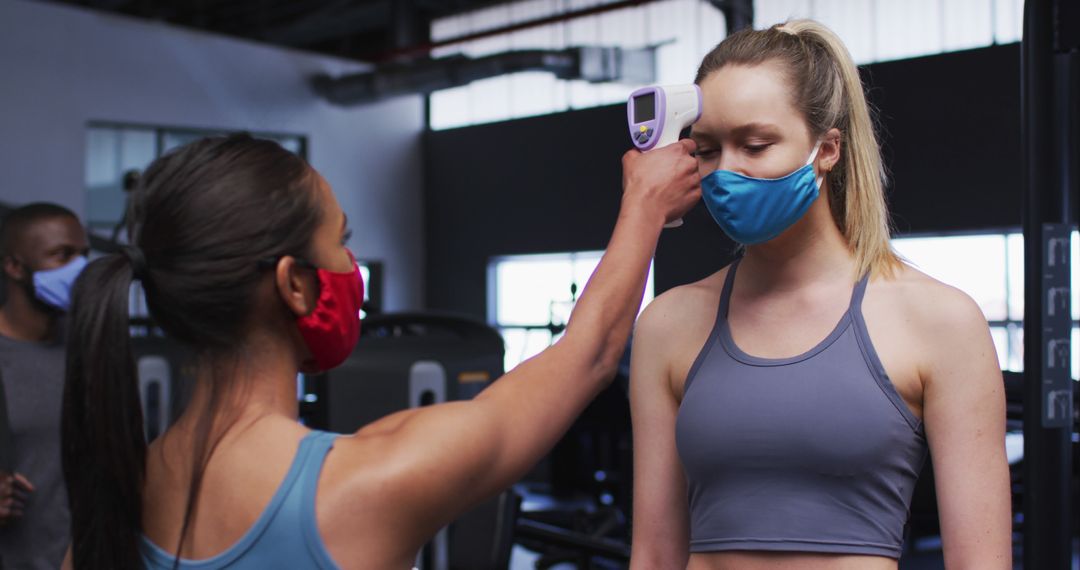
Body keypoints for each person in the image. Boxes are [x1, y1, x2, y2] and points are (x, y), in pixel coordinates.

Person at [60, 132, 700, 569]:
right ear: (294, 284)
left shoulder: (110, 499)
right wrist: (643, 206)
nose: (352, 265)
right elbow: (586, 357)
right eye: (341, 241)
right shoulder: (367, 483)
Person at [629, 20, 1012, 570]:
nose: (724, 173)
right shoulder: (668, 323)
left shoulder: (939, 321)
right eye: (708, 151)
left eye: (755, 145)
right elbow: (653, 553)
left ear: (827, 149)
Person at [0, 203, 89, 570]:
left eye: (83, 255)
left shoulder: (90, 348)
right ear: (14, 267)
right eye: (62, 256)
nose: (79, 270)